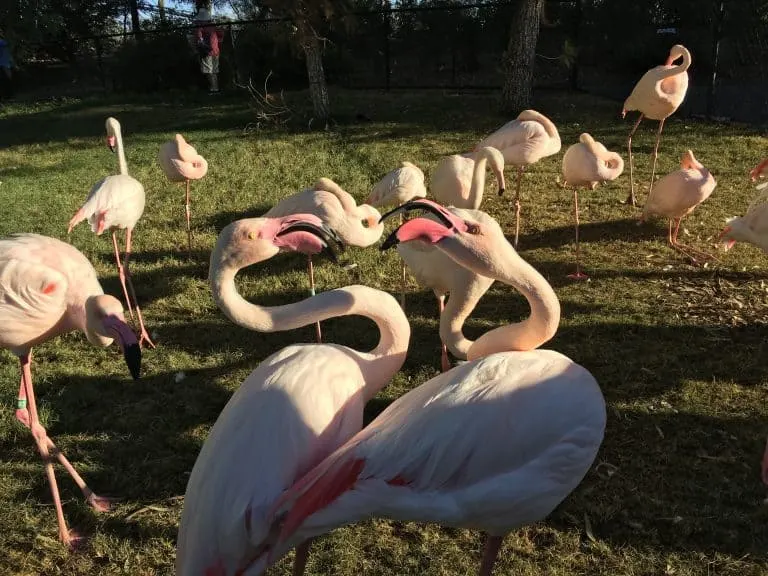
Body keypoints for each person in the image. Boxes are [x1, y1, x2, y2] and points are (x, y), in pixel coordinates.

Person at [194, 9, 224, 94]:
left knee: (209, 70)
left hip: (207, 51)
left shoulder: (200, 27)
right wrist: (217, 42)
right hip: (216, 51)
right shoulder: (214, 26)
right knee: (214, 70)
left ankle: (214, 88)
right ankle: (216, 87)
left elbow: (199, 39)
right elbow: (221, 35)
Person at [0, 29, 14, 101]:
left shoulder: (4, 42)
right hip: (4, 64)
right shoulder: (3, 42)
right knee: (7, 80)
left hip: (5, 63)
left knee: (6, 80)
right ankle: (7, 96)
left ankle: (7, 96)